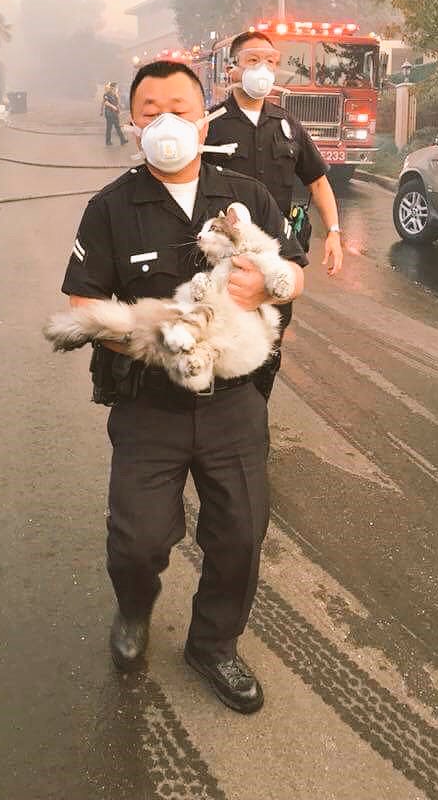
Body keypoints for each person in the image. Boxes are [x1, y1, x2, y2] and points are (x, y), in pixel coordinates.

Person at [60, 59, 307, 713]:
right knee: (137, 540)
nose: (165, 119)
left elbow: (294, 270)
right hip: (149, 404)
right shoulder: (111, 207)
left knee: (241, 534)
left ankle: (214, 645)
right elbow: (82, 306)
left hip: (234, 403)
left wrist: (267, 285)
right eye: (149, 109)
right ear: (131, 120)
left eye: (179, 106)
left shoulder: (246, 195)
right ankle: (134, 610)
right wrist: (159, 339)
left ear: (205, 118)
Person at [204, 30, 343, 275]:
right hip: (224, 255)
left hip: (277, 252)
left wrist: (333, 232)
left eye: (270, 62)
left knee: (278, 313)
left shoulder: (287, 124)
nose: (263, 69)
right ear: (231, 70)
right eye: (253, 60)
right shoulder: (210, 125)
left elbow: (318, 182)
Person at [102, 81, 127, 146]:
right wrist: (113, 107)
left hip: (114, 113)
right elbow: (106, 102)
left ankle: (122, 140)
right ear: (112, 87)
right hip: (109, 113)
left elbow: (117, 103)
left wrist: (120, 105)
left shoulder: (115, 95)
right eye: (116, 87)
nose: (117, 88)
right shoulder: (107, 94)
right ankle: (109, 141)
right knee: (111, 127)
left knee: (116, 127)